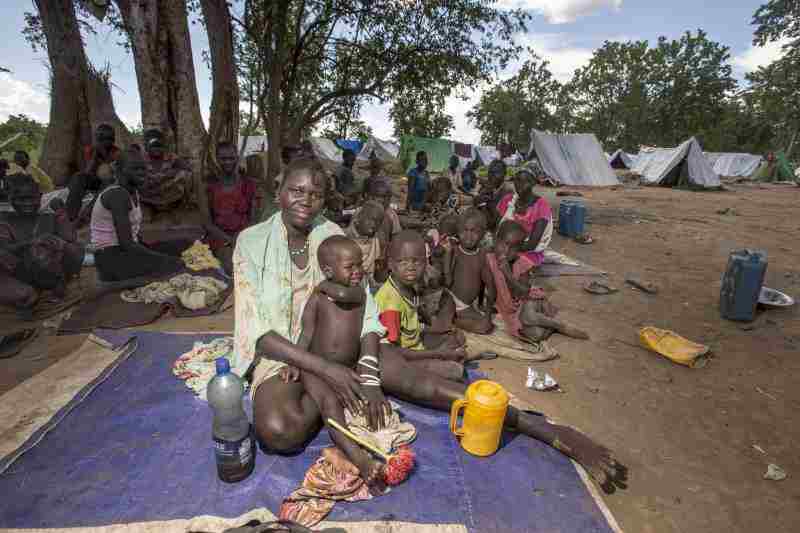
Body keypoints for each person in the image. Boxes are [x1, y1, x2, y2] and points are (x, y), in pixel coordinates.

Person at [233, 160, 626, 494]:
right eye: (296, 190)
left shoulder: (332, 237)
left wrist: (369, 375)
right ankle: (337, 398)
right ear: (278, 189)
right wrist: (327, 370)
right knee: (278, 430)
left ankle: (543, 429)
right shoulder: (251, 242)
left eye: (316, 193)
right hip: (285, 357)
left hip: (345, 348)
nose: (306, 200)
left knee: (426, 387)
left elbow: (367, 312)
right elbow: (260, 333)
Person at [281, 235, 390, 489]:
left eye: (360, 264)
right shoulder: (318, 299)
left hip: (347, 369)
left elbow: (363, 327)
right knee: (330, 406)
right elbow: (306, 334)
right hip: (316, 369)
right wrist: (296, 362)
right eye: (350, 266)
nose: (358, 271)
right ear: (328, 271)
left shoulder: (363, 295)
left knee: (367, 405)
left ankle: (368, 442)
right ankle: (359, 459)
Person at [90, 148, 186, 283]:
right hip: (110, 258)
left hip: (123, 252)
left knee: (183, 245)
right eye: (135, 169)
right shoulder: (117, 195)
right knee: (174, 265)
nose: (141, 173)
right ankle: (115, 282)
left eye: (143, 168)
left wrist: (152, 251)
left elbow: (132, 235)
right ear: (120, 171)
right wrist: (162, 259)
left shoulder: (133, 191)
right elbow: (127, 244)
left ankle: (140, 273)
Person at [0, 175, 83, 315]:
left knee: (73, 248)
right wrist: (31, 243)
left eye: (32, 198)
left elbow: (70, 238)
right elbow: (5, 249)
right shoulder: (5, 221)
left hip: (50, 270)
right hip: (21, 271)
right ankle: (29, 290)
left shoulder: (48, 217)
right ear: (10, 199)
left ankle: (57, 284)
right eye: (21, 199)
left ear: (40, 197)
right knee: (36, 253)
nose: (27, 204)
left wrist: (61, 212)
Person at [437, 208, 494, 334]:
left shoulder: (482, 256)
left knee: (486, 326)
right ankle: (449, 319)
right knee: (446, 311)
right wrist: (447, 254)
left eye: (474, 231)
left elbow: (487, 285)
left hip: (465, 307)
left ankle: (453, 320)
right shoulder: (455, 251)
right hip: (450, 299)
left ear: (483, 234)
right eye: (465, 230)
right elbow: (448, 282)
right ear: (458, 231)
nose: (468, 236)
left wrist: (485, 310)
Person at [204, 141, 257, 274]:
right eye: (223, 159)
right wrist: (229, 241)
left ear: (237, 158)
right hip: (221, 239)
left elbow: (253, 219)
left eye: (231, 158)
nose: (228, 162)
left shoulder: (248, 185)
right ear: (217, 159)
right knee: (233, 269)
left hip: (245, 237)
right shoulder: (210, 187)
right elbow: (207, 224)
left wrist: (239, 239)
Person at [496, 169, 553, 279]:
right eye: (517, 180)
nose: (519, 184)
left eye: (524, 181)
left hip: (528, 252)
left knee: (512, 269)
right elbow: (497, 229)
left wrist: (509, 250)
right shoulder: (508, 200)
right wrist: (500, 247)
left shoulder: (541, 206)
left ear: (533, 183)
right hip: (504, 248)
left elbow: (532, 244)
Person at [66, 124, 121, 221]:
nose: (105, 142)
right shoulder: (91, 150)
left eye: (108, 138)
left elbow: (115, 176)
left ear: (113, 139)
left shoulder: (117, 153)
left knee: (108, 181)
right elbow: (87, 172)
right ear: (97, 139)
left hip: (110, 183)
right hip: (95, 181)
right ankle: (70, 215)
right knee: (79, 177)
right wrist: (95, 155)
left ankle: (88, 212)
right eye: (101, 139)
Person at [139, 129, 192, 214]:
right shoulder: (141, 159)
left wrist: (168, 174)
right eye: (153, 146)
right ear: (147, 147)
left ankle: (179, 206)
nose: (156, 149)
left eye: (159, 146)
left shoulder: (171, 157)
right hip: (149, 194)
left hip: (170, 193)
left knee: (185, 174)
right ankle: (150, 208)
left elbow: (187, 168)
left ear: (163, 146)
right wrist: (150, 177)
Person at [345, 200, 387, 289]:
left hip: (369, 286)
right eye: (371, 219)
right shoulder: (344, 237)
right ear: (360, 217)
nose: (374, 224)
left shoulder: (378, 240)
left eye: (379, 222)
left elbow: (379, 273)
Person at [363, 176, 401, 245]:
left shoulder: (391, 215)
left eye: (386, 197)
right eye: (378, 196)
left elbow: (396, 237)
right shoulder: (362, 211)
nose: (382, 200)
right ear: (371, 197)